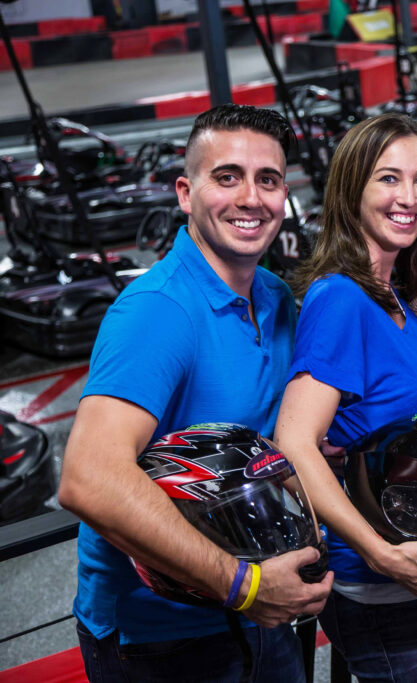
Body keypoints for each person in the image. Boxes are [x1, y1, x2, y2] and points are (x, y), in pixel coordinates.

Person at [57, 104, 333, 683]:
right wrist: (242, 584)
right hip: (163, 641)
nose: (251, 198)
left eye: (268, 179)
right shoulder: (158, 312)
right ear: (186, 193)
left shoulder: (275, 296)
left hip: (260, 610)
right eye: (227, 177)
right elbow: (89, 478)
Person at [272, 113, 417, 683]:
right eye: (388, 179)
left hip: (416, 564)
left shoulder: (390, 292)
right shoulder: (341, 299)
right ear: (353, 191)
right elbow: (294, 444)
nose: (410, 196)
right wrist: (380, 552)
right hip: (380, 581)